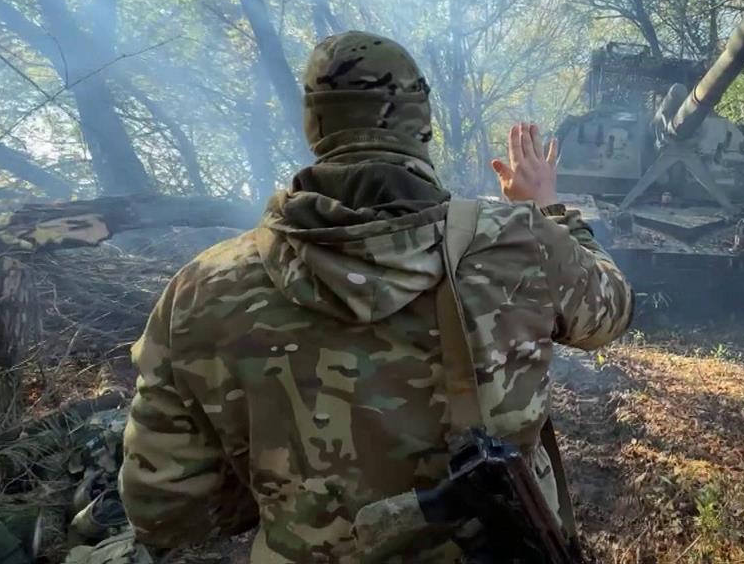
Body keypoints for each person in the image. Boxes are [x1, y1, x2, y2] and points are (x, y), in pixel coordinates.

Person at [118, 31, 634, 562]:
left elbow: (163, 511)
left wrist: (286, 495)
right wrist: (548, 210)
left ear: (313, 127)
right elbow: (609, 312)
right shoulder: (523, 242)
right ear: (423, 125)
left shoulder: (202, 287)